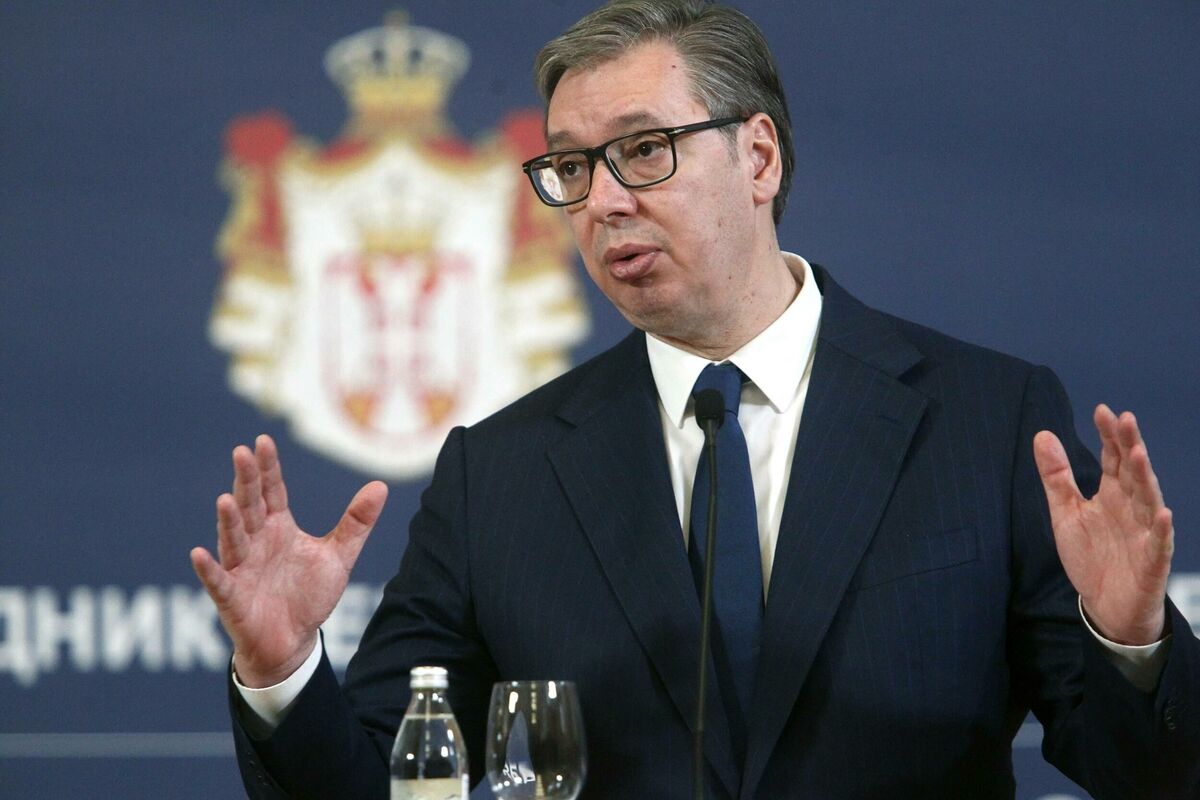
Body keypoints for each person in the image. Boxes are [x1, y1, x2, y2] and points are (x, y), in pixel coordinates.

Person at [191, 2, 1200, 797]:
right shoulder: (498, 474)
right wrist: (284, 673)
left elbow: (1145, 773)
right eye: (572, 167)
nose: (604, 201)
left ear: (758, 157)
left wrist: (1134, 642)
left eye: (644, 149)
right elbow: (379, 781)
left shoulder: (985, 422)